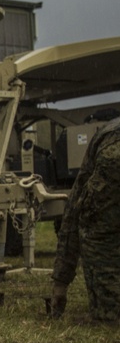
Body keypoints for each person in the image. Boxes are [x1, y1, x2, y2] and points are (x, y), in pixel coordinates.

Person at [50, 115, 120, 322]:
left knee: (97, 233)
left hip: (110, 148)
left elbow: (75, 211)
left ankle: (109, 312)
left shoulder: (108, 137)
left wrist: (60, 283)